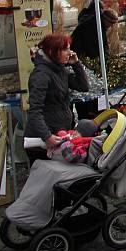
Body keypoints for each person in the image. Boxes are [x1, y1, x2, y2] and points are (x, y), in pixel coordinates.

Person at [24, 33, 90, 162]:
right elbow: (35, 111)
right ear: (51, 51)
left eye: (69, 49)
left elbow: (83, 86)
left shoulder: (60, 70)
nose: (69, 53)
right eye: (64, 49)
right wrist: (47, 136)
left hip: (59, 133)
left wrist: (76, 63)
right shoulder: (41, 75)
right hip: (42, 140)